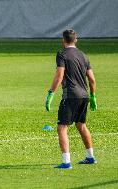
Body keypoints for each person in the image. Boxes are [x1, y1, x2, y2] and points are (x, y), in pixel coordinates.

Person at [45, 29, 97, 169]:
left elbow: (59, 75)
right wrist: (92, 96)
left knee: (62, 127)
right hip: (84, 96)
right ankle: (90, 157)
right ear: (76, 40)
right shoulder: (83, 55)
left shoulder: (62, 54)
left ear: (63, 40)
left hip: (71, 96)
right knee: (81, 125)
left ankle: (66, 162)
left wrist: (51, 93)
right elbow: (92, 79)